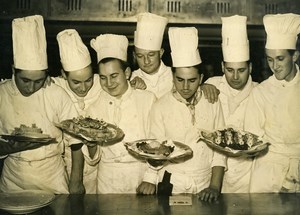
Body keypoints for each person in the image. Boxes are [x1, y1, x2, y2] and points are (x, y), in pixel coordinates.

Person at [0, 15, 84, 194]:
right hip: (14, 178)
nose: (31, 88)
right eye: (25, 80)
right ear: (14, 70)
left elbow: (76, 142)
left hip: (51, 176)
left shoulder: (56, 93)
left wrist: (76, 181)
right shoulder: (2, 93)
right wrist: (10, 147)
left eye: (39, 81)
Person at [149, 27, 226, 202]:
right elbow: (155, 149)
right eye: (179, 80)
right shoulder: (160, 106)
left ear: (201, 78)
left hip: (205, 181)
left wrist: (214, 186)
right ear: (172, 77)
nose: (185, 87)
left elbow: (220, 148)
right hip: (171, 181)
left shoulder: (212, 101)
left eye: (191, 80)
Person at [81, 33, 157, 194]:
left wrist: (150, 178)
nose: (109, 84)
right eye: (103, 78)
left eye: (114, 76)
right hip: (108, 181)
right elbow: (93, 159)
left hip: (141, 176)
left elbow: (157, 142)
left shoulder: (147, 99)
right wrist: (92, 145)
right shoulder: (94, 108)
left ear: (127, 73)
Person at [244, 13, 300, 193]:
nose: (274, 66)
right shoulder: (261, 92)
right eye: (270, 59)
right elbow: (252, 136)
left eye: (280, 58)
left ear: (295, 56)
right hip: (267, 171)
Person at [204, 15, 258, 193]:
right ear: (222, 66)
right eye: (230, 70)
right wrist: (202, 86)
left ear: (250, 68)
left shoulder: (260, 92)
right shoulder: (212, 84)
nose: (235, 77)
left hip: (248, 177)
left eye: (241, 70)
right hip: (212, 176)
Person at [55, 29, 102, 194]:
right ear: (63, 75)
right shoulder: (54, 86)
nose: (83, 88)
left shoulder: (101, 83)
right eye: (75, 82)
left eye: (88, 80)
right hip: (66, 167)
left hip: (97, 168)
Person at [130, 12, 173, 99]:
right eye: (140, 56)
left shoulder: (173, 76)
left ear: (160, 53)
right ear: (134, 56)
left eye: (151, 54)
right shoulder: (131, 78)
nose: (146, 61)